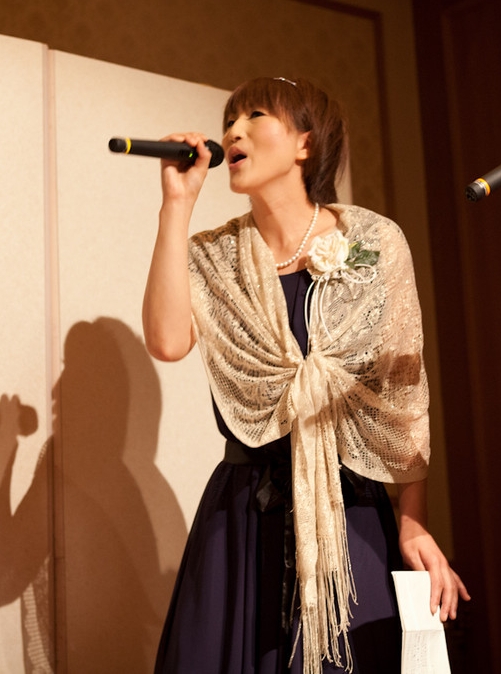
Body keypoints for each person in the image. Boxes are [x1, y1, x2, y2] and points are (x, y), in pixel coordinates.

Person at [142, 77, 468, 674]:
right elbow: (166, 342)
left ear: (305, 143)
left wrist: (413, 519)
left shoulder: (372, 241)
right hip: (244, 511)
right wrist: (177, 204)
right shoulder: (214, 255)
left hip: (349, 509)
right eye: (229, 120)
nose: (233, 131)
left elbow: (401, 398)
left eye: (254, 116)